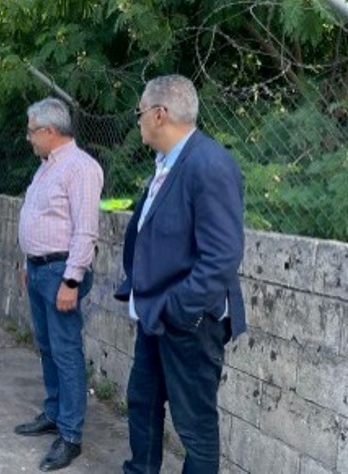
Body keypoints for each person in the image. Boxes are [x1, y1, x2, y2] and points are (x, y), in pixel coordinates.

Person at [116, 75, 245, 474]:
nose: (138, 120)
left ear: (160, 114)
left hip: (188, 321)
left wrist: (178, 309)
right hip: (157, 313)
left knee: (195, 426)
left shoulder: (209, 164)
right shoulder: (168, 163)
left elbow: (222, 256)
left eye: (140, 112)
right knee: (143, 402)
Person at [14, 98, 103, 471]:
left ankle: (70, 435)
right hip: (40, 270)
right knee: (48, 347)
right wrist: (27, 263)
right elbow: (38, 218)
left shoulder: (80, 168)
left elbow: (85, 230)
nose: (29, 138)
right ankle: (53, 413)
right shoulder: (46, 168)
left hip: (60, 272)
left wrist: (71, 280)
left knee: (66, 352)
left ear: (50, 131)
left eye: (32, 132)